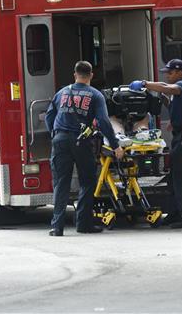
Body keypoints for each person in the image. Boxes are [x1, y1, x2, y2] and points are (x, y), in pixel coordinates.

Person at [45, 61, 125, 237]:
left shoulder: (62, 92)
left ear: (75, 74)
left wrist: (55, 135)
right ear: (91, 75)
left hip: (60, 140)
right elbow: (103, 122)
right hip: (82, 142)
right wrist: (115, 145)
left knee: (61, 183)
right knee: (87, 182)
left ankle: (57, 227)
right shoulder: (95, 95)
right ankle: (83, 223)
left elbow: (49, 116)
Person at [129, 59, 182, 229]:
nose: (167, 75)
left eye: (170, 72)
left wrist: (146, 83)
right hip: (180, 136)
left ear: (180, 72)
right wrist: (159, 96)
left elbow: (167, 88)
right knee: (173, 176)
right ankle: (176, 212)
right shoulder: (178, 91)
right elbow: (164, 88)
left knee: (181, 177)